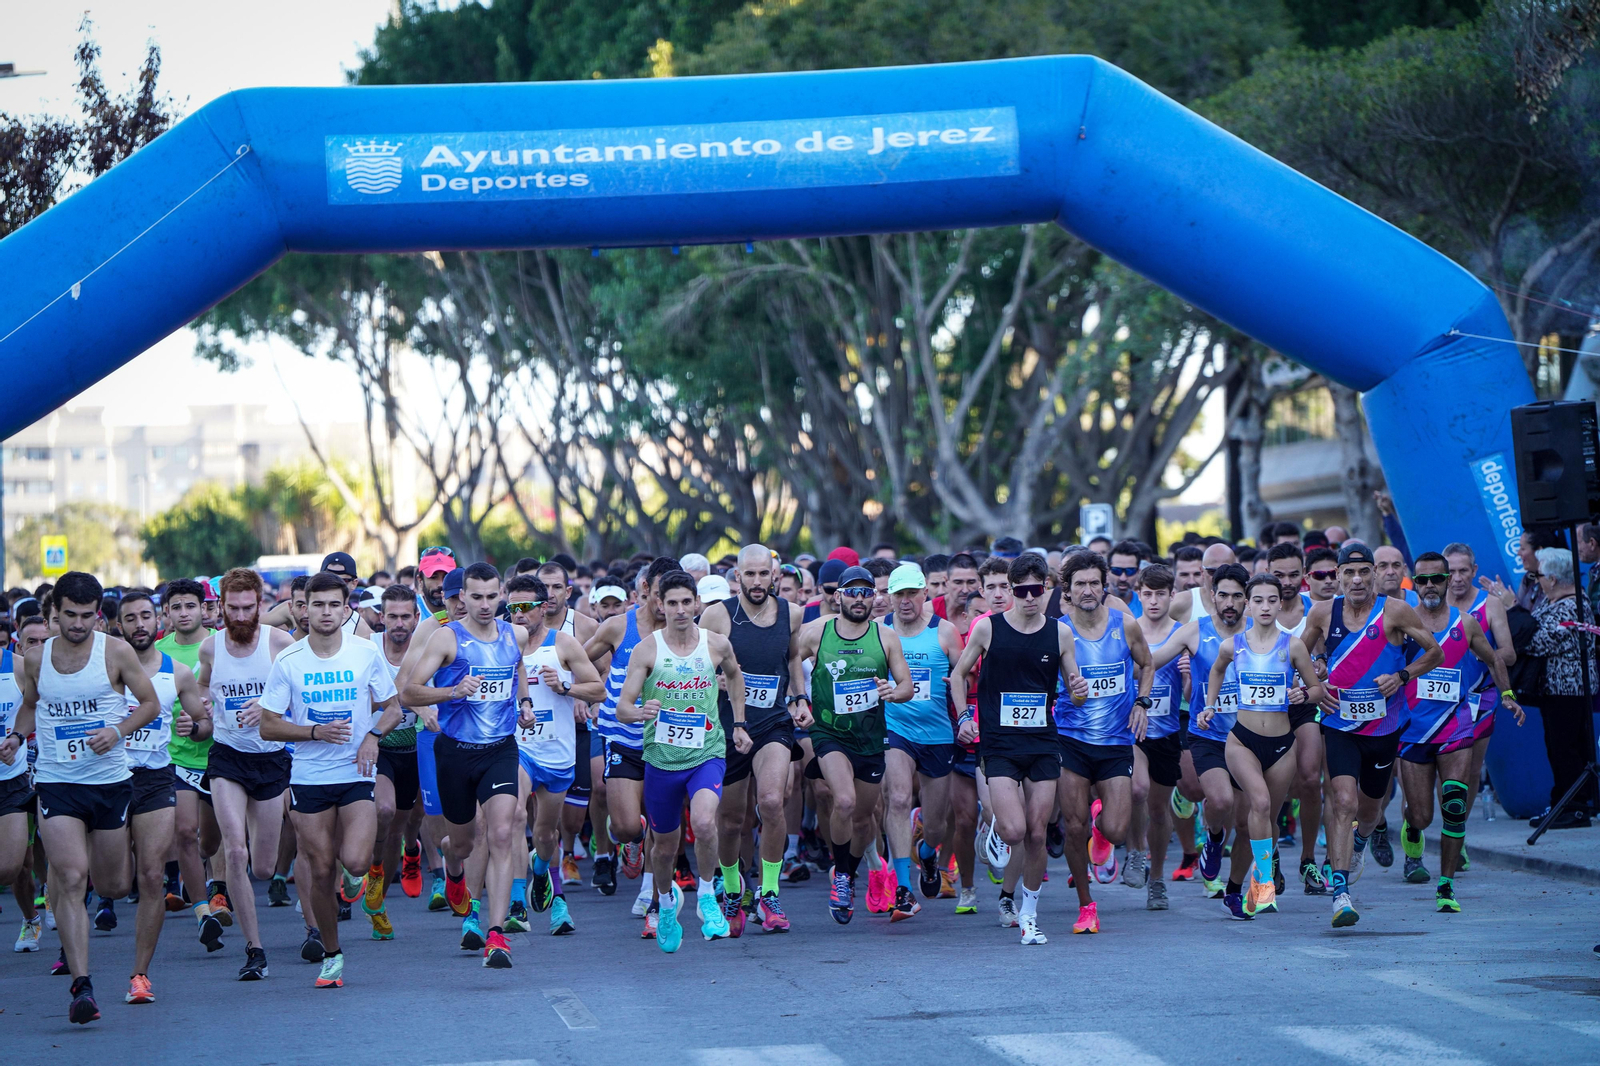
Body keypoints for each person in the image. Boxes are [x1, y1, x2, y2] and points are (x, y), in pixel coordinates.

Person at [1, 571, 162, 1023]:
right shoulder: (36, 658)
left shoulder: (116, 652)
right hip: (56, 782)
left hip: (110, 783)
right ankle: (82, 986)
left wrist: (117, 730)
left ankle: (95, 910)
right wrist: (17, 735)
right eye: (69, 615)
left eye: (87, 616)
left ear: (99, 615)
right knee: (71, 877)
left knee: (112, 885)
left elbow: (149, 703)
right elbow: (31, 702)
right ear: (54, 613)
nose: (77, 624)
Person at [259, 572, 404, 988]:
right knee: (321, 869)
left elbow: (392, 707)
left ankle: (357, 879)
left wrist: (373, 737)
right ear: (303, 608)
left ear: (346, 609)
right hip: (309, 777)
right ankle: (332, 953)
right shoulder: (289, 660)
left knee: (355, 861)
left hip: (355, 771)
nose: (325, 612)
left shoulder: (364, 653)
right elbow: (268, 726)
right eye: (316, 604)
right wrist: (312, 733)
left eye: (333, 605)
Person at [1300, 543, 1441, 928]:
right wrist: (1315, 675)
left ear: (1376, 575)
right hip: (1339, 724)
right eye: (1349, 573)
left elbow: (1434, 653)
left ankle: (1360, 843)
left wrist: (1401, 676)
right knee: (1342, 801)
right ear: (1339, 577)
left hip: (1383, 728)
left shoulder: (1395, 610)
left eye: (1365, 572)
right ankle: (1341, 893)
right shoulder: (1322, 612)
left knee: (1369, 810)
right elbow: (1302, 654)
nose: (1357, 579)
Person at [401, 562, 535, 968]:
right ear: (462, 598)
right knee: (463, 841)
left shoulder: (518, 634)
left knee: (501, 831)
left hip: (500, 750)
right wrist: (451, 691)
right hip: (456, 752)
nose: (484, 604)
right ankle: (452, 866)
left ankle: (496, 935)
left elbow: (517, 667)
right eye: (475, 597)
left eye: (492, 597)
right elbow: (409, 693)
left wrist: (525, 702)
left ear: (502, 596)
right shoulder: (447, 638)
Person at [950, 552, 1086, 944]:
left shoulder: (1060, 633)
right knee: (1014, 830)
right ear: (1010, 591)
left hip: (1042, 741)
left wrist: (1078, 691)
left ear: (1047, 590)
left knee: (1037, 834)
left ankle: (1029, 914)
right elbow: (958, 676)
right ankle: (994, 829)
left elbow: (1074, 690)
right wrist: (963, 718)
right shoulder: (987, 629)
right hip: (999, 743)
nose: (1029, 598)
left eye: (1036, 590)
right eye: (1022, 591)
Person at [616, 570, 749, 953]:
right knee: (664, 844)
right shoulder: (648, 649)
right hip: (661, 758)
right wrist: (641, 712)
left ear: (696, 604)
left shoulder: (716, 644)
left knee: (706, 821)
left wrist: (738, 723)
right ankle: (666, 900)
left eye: (685, 602)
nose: (678, 610)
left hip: (707, 751)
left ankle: (707, 894)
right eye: (670, 603)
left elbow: (735, 677)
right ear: (660, 605)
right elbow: (624, 707)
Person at [1396, 552, 1522, 910]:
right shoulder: (1403, 623)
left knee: (1453, 802)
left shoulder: (1465, 623)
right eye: (1422, 580)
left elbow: (1494, 657)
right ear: (1414, 585)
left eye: (1437, 578)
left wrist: (1508, 695)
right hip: (1413, 730)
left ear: (1449, 580)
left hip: (1455, 726)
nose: (1430, 586)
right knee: (1421, 814)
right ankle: (1412, 828)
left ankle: (1446, 886)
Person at [699, 544, 810, 934]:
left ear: (774, 576)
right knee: (730, 821)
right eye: (750, 575)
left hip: (773, 724)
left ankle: (769, 892)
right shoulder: (718, 614)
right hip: (727, 728)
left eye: (764, 574)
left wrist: (798, 697)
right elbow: (699, 663)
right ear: (737, 578)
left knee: (771, 802)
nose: (758, 582)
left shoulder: (791, 614)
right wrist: (720, 683)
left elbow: (793, 658)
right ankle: (732, 891)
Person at [795, 564, 913, 924]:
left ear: (874, 598)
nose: (860, 599)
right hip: (829, 733)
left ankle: (846, 870)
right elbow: (788, 662)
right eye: (852, 592)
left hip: (870, 737)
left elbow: (906, 685)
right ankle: (843, 878)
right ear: (837, 596)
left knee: (864, 820)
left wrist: (892, 693)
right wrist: (798, 699)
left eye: (867, 593)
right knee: (843, 800)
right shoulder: (817, 632)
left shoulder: (885, 637)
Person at [1200, 574, 1322, 918]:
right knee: (1261, 802)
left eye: (1272, 600)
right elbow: (1216, 671)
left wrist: (1303, 694)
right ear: (1247, 605)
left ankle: (1237, 888)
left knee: (1267, 819)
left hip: (1283, 745)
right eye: (1258, 600)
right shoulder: (1233, 645)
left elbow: (1317, 690)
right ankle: (1265, 881)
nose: (1265, 606)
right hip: (1243, 742)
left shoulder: (1293, 645)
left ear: (1280, 604)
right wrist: (1209, 705)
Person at [198, 567, 296, 981]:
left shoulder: (279, 642)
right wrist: (201, 708)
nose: (239, 616)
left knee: (263, 866)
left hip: (271, 759)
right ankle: (255, 950)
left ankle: (263, 891)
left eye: (247, 607)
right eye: (232, 608)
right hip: (227, 757)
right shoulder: (210, 648)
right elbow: (203, 688)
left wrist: (270, 708)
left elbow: (302, 696)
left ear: (260, 605)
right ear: (221, 607)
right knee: (235, 851)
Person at [114, 590, 208, 1003]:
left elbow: (204, 724)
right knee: (114, 883)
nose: (139, 624)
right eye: (130, 618)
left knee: (151, 875)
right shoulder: (104, 670)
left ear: (158, 622)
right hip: (107, 781)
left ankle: (140, 975)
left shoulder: (178, 673)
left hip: (155, 778)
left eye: (145, 617)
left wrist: (194, 726)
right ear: (119, 625)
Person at [1055, 550, 1154, 933]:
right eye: (1080, 583)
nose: (1088, 590)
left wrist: (1143, 703)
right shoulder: (1059, 631)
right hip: (1071, 739)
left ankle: (1102, 826)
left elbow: (1146, 664)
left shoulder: (1125, 625)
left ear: (1104, 585)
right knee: (1073, 826)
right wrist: (1068, 691)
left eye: (1094, 582)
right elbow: (1048, 684)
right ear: (1068, 590)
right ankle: (1086, 905)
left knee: (1115, 830)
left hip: (1115, 741)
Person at [505, 574, 604, 936]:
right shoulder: (501, 643)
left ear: (543, 607)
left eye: (525, 608)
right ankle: (517, 901)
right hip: (516, 749)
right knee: (515, 815)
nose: (518, 615)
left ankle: (541, 867)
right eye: (512, 607)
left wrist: (565, 687)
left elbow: (598, 690)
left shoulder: (562, 643)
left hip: (558, 753)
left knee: (545, 833)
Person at [586, 556, 675, 932]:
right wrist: (586, 692)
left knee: (662, 823)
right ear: (644, 592)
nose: (664, 606)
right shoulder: (618, 626)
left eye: (672, 599)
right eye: (659, 596)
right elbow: (578, 660)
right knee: (623, 826)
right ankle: (632, 840)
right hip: (622, 737)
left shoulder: (684, 630)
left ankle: (652, 896)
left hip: (667, 742)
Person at [881, 563, 964, 920]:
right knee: (897, 798)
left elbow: (964, 677)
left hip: (937, 734)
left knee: (937, 824)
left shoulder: (945, 633)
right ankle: (902, 887)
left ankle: (927, 853)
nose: (905, 601)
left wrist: (963, 708)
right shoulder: (878, 631)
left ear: (924, 594)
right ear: (889, 597)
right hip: (894, 728)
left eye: (912, 593)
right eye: (898, 594)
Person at [362, 584, 425, 941]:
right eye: (392, 616)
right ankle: (376, 889)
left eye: (406, 616)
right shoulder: (367, 650)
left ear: (416, 618)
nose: (399, 624)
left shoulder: (428, 650)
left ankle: (411, 853)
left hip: (417, 749)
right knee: (384, 813)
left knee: (407, 824)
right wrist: (393, 704)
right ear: (380, 617)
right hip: (383, 746)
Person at [1527, 547, 1599, 829]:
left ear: (1554, 578)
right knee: (1559, 747)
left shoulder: (1572, 606)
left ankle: (1574, 807)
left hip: (1568, 689)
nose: (1537, 580)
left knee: (1565, 749)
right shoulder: (1552, 600)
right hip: (1554, 688)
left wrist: (1511, 609)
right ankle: (1565, 802)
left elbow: (1536, 642)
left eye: (1540, 575)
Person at [1129, 564, 1187, 909]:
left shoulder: (1182, 634)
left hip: (1167, 731)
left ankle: (1158, 878)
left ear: (1171, 596)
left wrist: (1188, 675)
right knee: (1137, 789)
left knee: (1159, 809)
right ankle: (1135, 852)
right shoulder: (1128, 630)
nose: (1153, 601)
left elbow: (1193, 692)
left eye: (1160, 594)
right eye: (1147, 594)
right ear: (1139, 596)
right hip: (1132, 728)